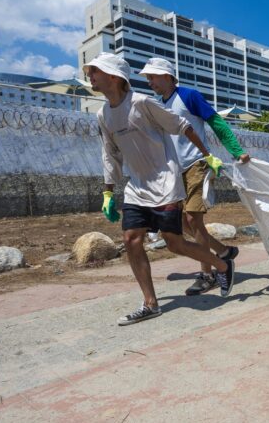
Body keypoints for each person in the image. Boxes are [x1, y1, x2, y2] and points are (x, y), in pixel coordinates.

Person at [86, 52, 236, 325]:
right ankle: (150, 304)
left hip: (166, 182)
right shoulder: (103, 114)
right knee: (131, 239)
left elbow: (183, 126)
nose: (89, 75)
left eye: (94, 70)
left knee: (175, 242)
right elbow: (109, 154)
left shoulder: (142, 103)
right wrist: (108, 191)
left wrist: (207, 156)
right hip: (137, 187)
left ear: (113, 76)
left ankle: (223, 265)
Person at [140, 57, 249, 295]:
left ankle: (208, 274)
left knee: (192, 219)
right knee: (178, 223)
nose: (149, 81)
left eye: (153, 76)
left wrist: (236, 150)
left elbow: (215, 121)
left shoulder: (189, 96)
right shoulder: (158, 104)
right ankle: (223, 252)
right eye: (147, 78)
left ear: (168, 75)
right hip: (173, 171)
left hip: (196, 164)